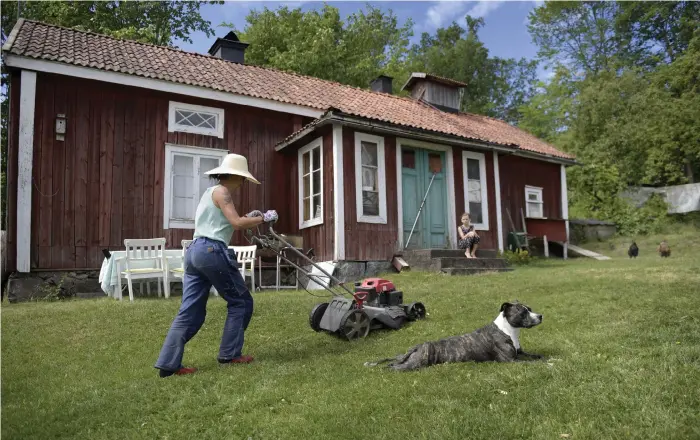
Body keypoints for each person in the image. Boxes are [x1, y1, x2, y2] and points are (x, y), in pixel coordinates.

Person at [155, 153, 277, 377]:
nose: (242, 184)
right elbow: (236, 223)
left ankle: (168, 363)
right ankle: (230, 354)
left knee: (190, 311)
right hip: (212, 251)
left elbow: (223, 222)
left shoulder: (209, 193)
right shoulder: (223, 192)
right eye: (242, 179)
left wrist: (251, 216)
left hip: (194, 252)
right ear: (235, 176)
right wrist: (265, 218)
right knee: (241, 301)